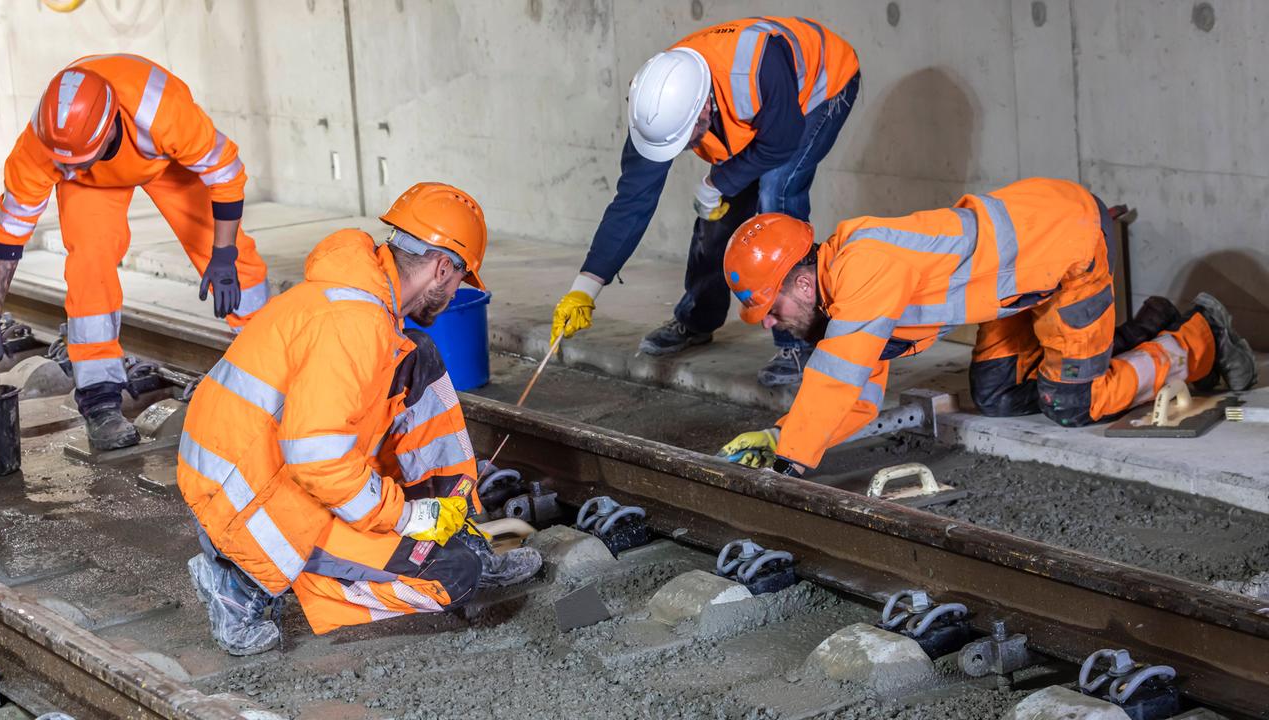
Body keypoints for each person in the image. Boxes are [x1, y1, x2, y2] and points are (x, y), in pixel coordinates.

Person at [178, 182, 542, 656]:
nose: (455, 294)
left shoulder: (366, 300)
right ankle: (239, 582)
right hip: (252, 501)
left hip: (278, 470)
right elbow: (316, 458)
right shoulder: (355, 324)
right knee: (453, 578)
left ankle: (457, 529)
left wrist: (432, 514)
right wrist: (403, 515)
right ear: (440, 268)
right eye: (459, 281)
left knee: (419, 360)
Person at [718, 177, 1258, 475]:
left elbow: (837, 375)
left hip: (1068, 250)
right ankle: (1149, 325)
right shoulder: (848, 294)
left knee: (1072, 403)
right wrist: (779, 436)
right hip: (1018, 286)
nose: (769, 321)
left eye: (770, 305)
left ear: (804, 285)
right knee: (998, 396)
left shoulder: (865, 266)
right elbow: (856, 396)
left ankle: (1203, 336)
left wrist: (791, 460)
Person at [549, 16, 861, 386]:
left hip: (820, 88)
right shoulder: (658, 104)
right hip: (754, 116)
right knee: (717, 217)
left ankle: (798, 341)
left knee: (777, 194)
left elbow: (781, 141)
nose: (682, 150)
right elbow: (631, 203)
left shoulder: (759, 65)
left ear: (704, 111)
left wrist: (719, 179)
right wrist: (585, 288)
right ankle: (697, 318)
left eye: (686, 139)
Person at [0, 54, 268, 450]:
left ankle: (274, 362)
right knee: (89, 266)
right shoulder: (43, 146)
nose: (69, 168)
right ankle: (100, 400)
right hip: (94, 187)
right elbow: (9, 231)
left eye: (81, 159)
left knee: (232, 254)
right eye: (64, 164)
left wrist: (222, 256)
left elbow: (225, 174)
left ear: (107, 130)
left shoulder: (164, 112)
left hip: (165, 162)